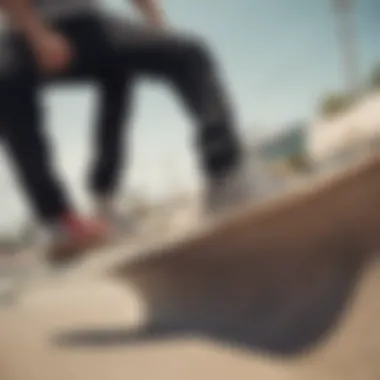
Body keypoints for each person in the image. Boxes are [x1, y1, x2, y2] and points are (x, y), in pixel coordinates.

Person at [0, 0, 253, 264]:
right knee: (5, 81)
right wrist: (37, 34)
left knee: (187, 53)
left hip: (90, 24)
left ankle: (226, 173)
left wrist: (156, 26)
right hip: (22, 27)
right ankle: (57, 219)